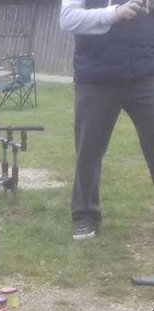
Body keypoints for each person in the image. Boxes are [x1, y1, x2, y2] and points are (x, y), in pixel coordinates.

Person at [60, 0, 154, 240]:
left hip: (145, 75)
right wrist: (114, 13)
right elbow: (68, 19)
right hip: (96, 77)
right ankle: (85, 215)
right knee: (89, 149)